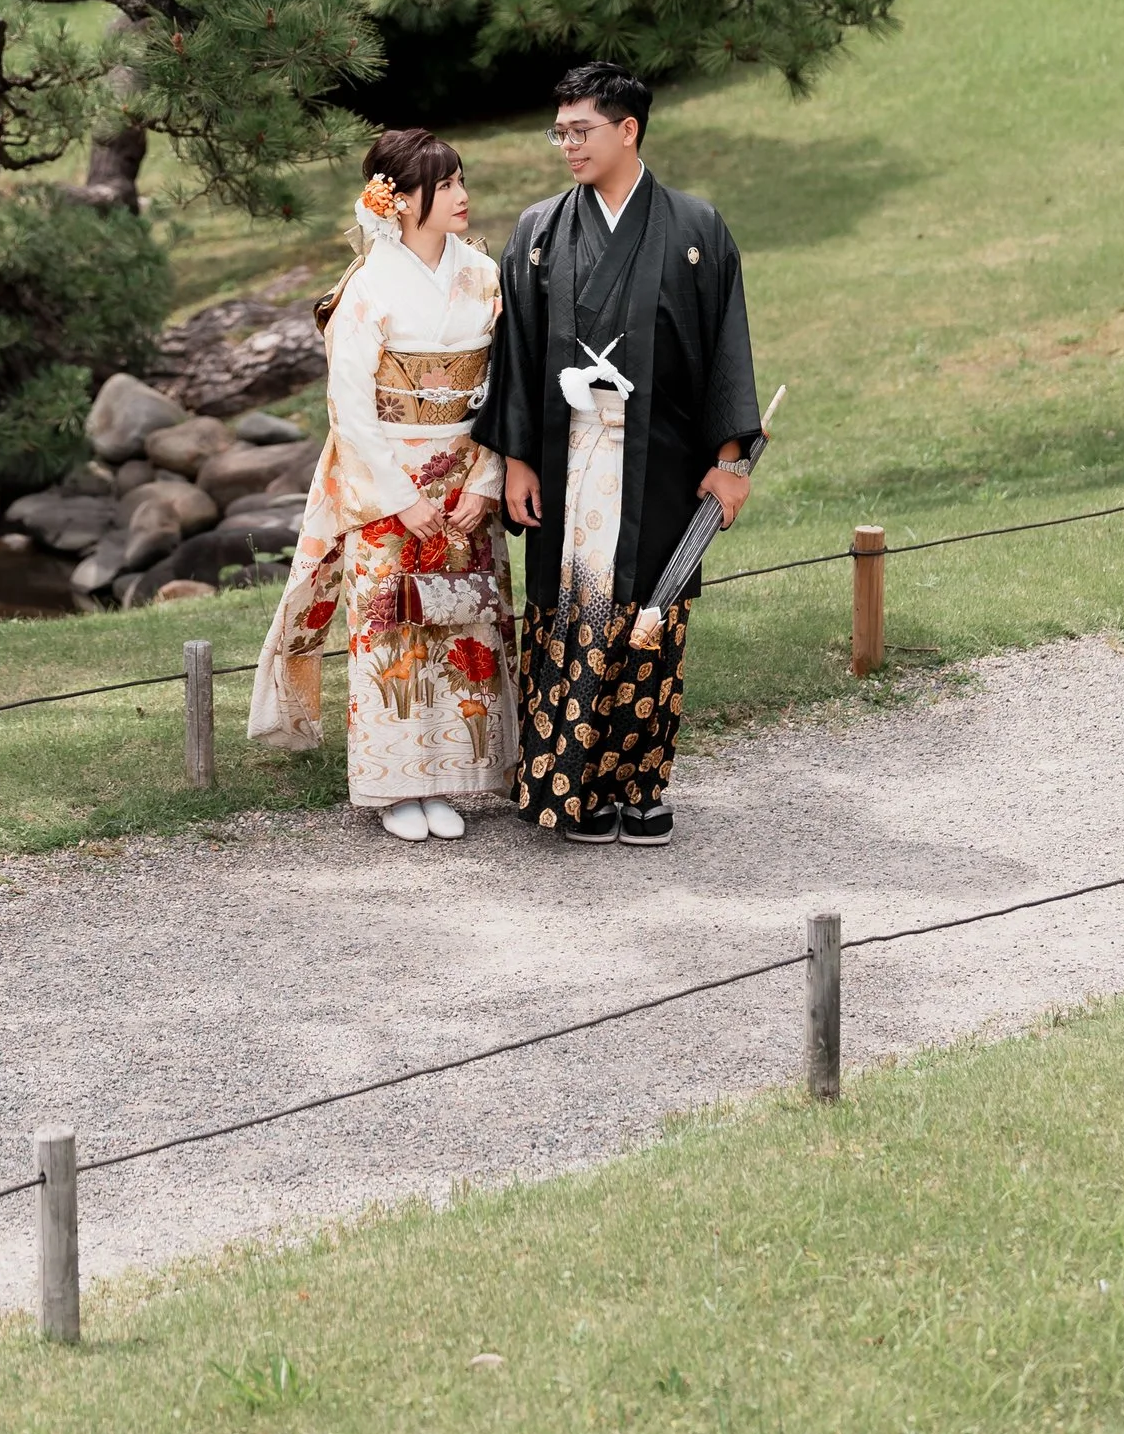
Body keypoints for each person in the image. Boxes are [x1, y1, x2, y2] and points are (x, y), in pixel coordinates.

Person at [471, 59, 762, 846]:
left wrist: (730, 463)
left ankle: (642, 784)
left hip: (661, 462)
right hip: (566, 461)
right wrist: (519, 462)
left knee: (650, 617)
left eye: (582, 130)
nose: (566, 144)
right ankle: (580, 786)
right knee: (568, 615)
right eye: (560, 131)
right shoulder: (537, 233)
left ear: (628, 129)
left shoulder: (696, 230)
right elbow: (520, 359)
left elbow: (724, 352)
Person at [247, 127, 517, 843]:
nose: (463, 196)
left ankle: (452, 779)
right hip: (389, 482)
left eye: (461, 181)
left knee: (464, 622)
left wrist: (484, 480)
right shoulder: (366, 288)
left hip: (464, 480)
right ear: (398, 202)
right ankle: (395, 786)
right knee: (390, 630)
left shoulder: (484, 276)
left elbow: (504, 385)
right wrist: (403, 496)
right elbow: (350, 409)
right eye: (446, 184)